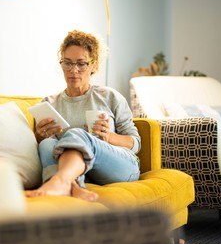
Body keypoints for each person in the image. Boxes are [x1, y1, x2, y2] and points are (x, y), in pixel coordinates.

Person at [25, 30, 141, 202]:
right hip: (85, 172)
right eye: (67, 63)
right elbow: (47, 148)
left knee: (78, 134)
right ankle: (74, 187)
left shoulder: (110, 96)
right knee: (48, 144)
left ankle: (57, 181)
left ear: (93, 65)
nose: (73, 70)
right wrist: (39, 137)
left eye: (81, 63)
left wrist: (108, 136)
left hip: (120, 166)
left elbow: (135, 143)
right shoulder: (48, 103)